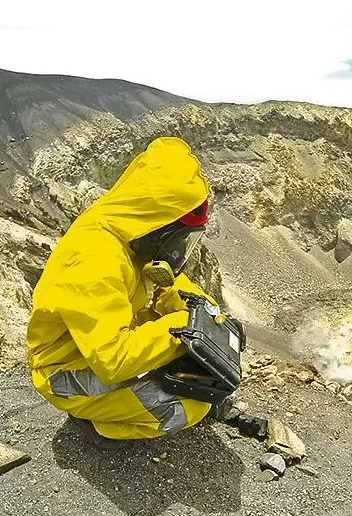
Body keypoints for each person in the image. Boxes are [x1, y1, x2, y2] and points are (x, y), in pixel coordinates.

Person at [26, 137, 230, 449]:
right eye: (179, 239)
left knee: (200, 373)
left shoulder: (130, 231)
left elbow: (164, 281)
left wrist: (206, 312)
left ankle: (119, 404)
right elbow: (115, 359)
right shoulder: (95, 259)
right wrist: (185, 331)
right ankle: (101, 427)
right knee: (191, 407)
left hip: (92, 349)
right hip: (66, 371)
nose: (178, 251)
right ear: (160, 226)